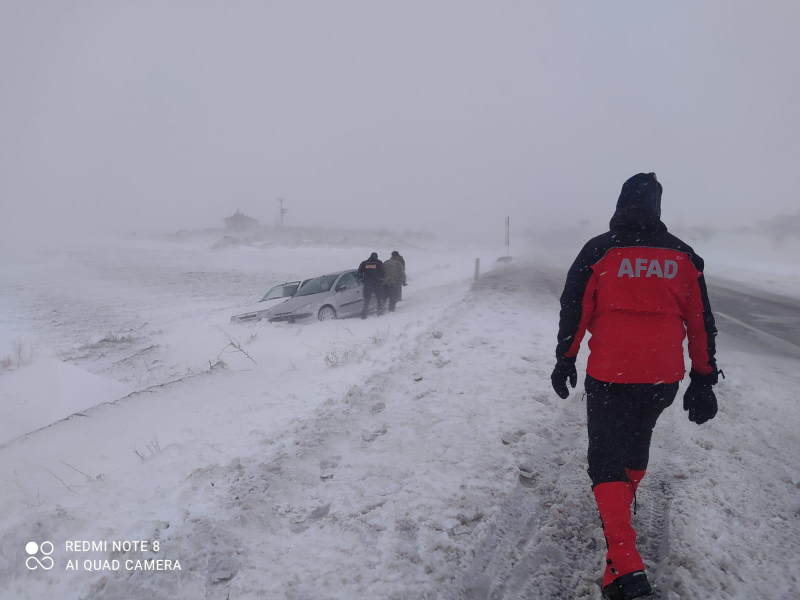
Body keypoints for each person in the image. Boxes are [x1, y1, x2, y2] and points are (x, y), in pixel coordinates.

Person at [551, 173, 721, 600]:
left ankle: (625, 566)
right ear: (657, 208)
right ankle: (617, 549)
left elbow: (575, 307)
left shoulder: (599, 250)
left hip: (610, 375)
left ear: (621, 203)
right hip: (661, 379)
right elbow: (701, 322)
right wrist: (702, 378)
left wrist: (565, 358)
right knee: (634, 448)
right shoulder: (683, 256)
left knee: (604, 460)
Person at [357, 252, 385, 319]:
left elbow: (359, 273)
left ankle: (364, 315)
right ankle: (380, 313)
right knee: (379, 299)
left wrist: (363, 280)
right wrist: (380, 280)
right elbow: (383, 273)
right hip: (377, 284)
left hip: (367, 284)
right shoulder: (378, 263)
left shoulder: (364, 263)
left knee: (366, 301)